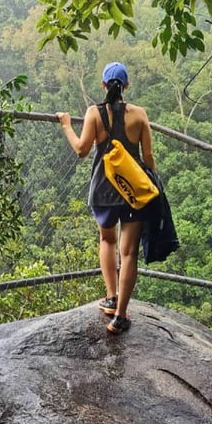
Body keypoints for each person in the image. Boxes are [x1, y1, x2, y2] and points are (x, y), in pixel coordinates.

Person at [56, 62, 155, 334]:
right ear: (127, 86)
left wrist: (66, 125)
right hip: (133, 190)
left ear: (103, 85)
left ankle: (110, 297)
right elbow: (148, 157)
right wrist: (152, 183)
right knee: (129, 252)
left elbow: (81, 150)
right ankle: (120, 315)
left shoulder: (94, 114)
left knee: (107, 240)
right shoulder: (139, 115)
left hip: (103, 188)